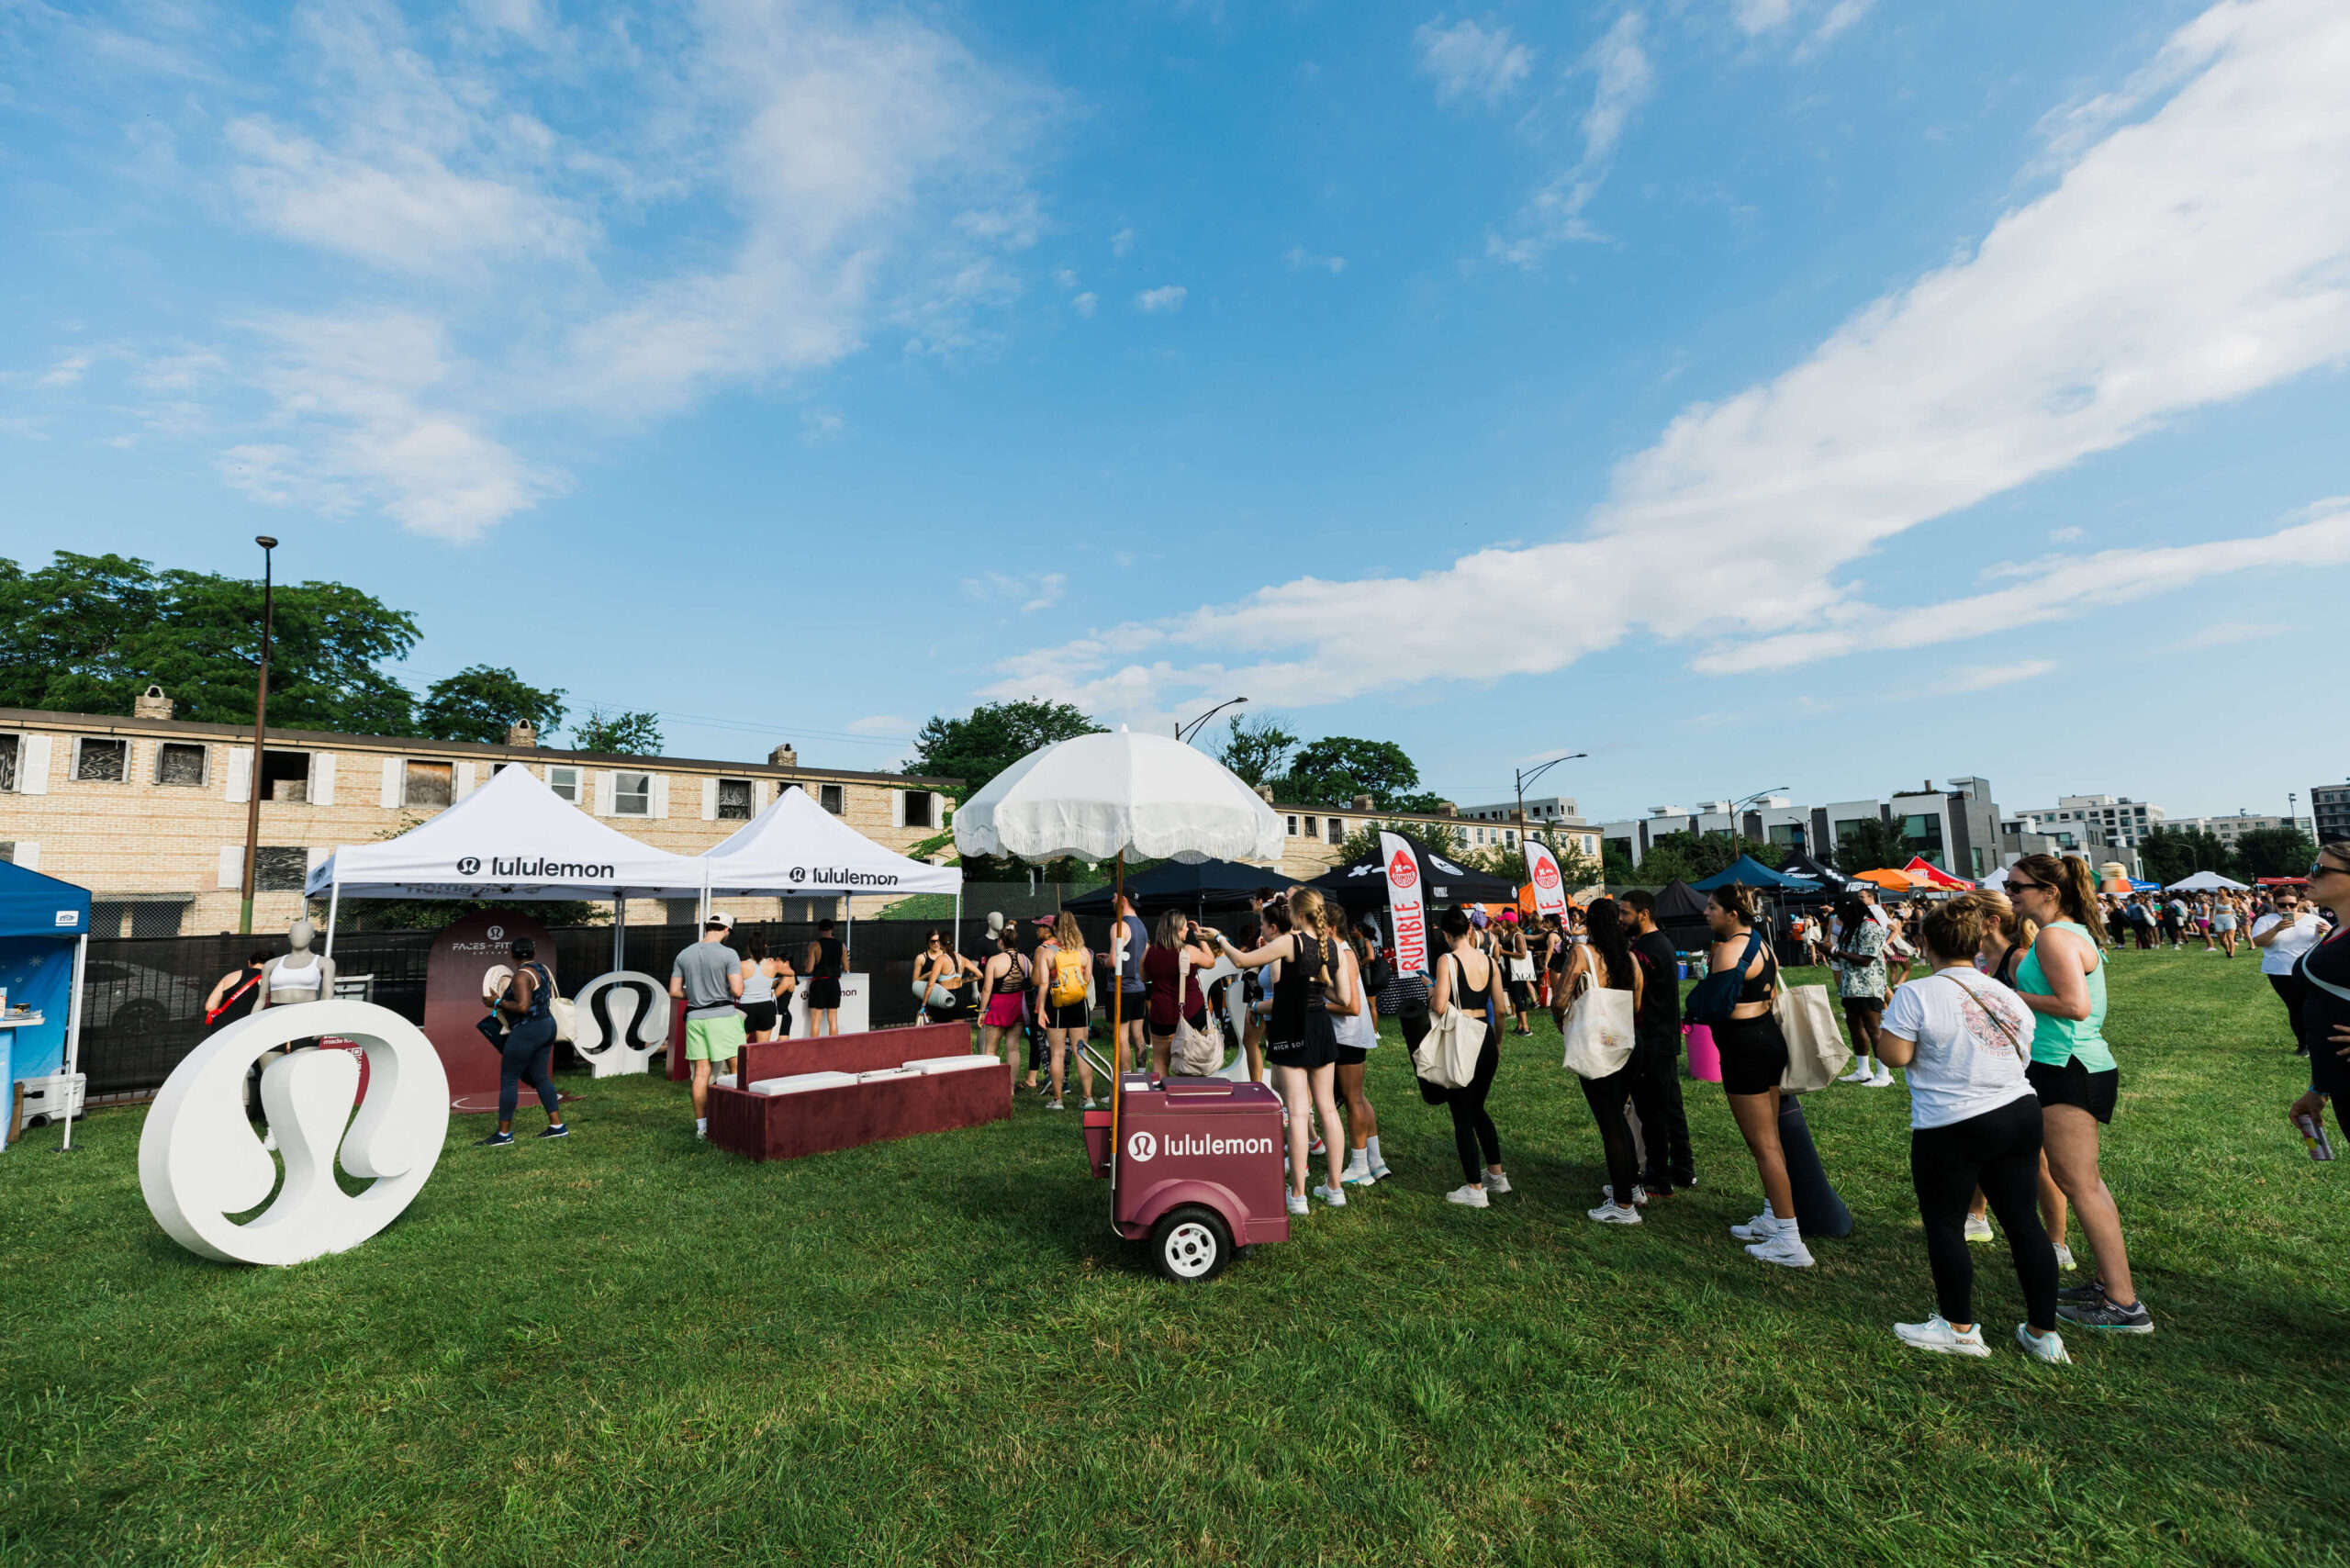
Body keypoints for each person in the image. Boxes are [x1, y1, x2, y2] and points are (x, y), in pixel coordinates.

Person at [1875, 899, 2068, 1363]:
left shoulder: (1916, 993)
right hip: (2019, 1110)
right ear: (1980, 941)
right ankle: (2044, 1333)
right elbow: (2022, 1050)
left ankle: (1959, 1329)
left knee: (1945, 1223)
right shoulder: (2006, 993)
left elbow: (1895, 1057)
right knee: (2024, 1222)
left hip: (1952, 1120)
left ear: (1924, 944)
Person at [2004, 855, 2150, 1334]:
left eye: (2018, 886)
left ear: (2049, 892)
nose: (2010, 893)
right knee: (2082, 1182)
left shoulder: (2054, 936)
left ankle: (2123, 1304)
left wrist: (2003, 996)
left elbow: (2074, 1006)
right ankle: (2112, 1286)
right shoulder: (2065, 933)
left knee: (2081, 1184)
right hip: (2064, 1065)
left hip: (2069, 1066)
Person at [1215, 891, 1350, 1213]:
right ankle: (1335, 1188)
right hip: (1321, 1027)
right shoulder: (1333, 946)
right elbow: (1343, 996)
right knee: (1328, 1110)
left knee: (1299, 1112)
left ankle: (1299, 1195)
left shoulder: (1291, 942)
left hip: (1293, 1027)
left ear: (1296, 914)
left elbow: (1241, 961)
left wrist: (1219, 937)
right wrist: (1315, 984)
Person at [1707, 885, 1814, 1269]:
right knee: (1770, 1139)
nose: (1707, 913)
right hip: (1768, 1040)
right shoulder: (1761, 944)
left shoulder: (1729, 950)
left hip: (1745, 1048)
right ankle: (1775, 1215)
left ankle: (1790, 1240)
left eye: (1713, 907)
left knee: (1763, 1144)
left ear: (1732, 913)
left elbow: (1713, 1005)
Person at [1967, 890, 2075, 1271]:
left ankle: (2058, 1244)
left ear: (1991, 922)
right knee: (1982, 1142)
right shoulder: (1979, 959)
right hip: (1997, 1064)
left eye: (1969, 914)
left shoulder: (2019, 961)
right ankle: (1976, 1217)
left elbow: (2048, 1015)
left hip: (2031, 1065)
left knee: (2040, 1159)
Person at [1570, 897, 1650, 1226]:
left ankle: (1623, 1205)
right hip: (1629, 1042)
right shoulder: (1629, 957)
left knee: (1610, 1122)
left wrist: (1566, 1023)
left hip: (1599, 1045)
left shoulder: (1582, 953)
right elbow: (1636, 1002)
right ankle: (1632, 1187)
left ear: (1590, 923)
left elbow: (1560, 998)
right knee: (1619, 1115)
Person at [1425, 905, 1510, 1209]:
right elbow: (1500, 1009)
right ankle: (1496, 1175)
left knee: (1462, 1114)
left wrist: (1431, 989)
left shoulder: (1447, 959)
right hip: (1485, 1035)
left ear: (1447, 935)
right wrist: (1498, 1043)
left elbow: (1439, 1006)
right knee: (1477, 1109)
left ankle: (1475, 1188)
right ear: (1471, 931)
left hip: (1463, 1037)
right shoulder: (1489, 961)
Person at [1621, 890, 1695, 1194]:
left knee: (1653, 1112)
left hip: (1652, 1039)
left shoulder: (1647, 948)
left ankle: (1658, 1179)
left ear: (1643, 914)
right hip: (1663, 1037)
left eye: (1625, 913)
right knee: (1670, 1106)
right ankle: (1683, 1170)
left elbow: (1635, 996)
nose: (1621, 919)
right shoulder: (1655, 942)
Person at [2288, 846, 2350, 1150]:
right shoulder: (2336, 929)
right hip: (2341, 1084)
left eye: (2319, 870)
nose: (2307, 877)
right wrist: (2318, 1089)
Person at [478, 937, 567, 1148]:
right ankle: (557, 1127)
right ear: (533, 953)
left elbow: (522, 1007)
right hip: (547, 1025)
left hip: (528, 1029)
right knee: (540, 1077)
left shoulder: (520, 976)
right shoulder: (542, 969)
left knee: (509, 1079)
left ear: (512, 955)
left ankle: (503, 1135)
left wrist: (497, 1001)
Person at [669, 916, 744, 1138]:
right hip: (723, 1016)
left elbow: (674, 992)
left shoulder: (684, 954)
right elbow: (737, 990)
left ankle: (702, 1128)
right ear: (727, 929)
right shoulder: (728, 954)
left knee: (701, 1073)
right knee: (737, 1068)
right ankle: (737, 1119)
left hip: (694, 1018)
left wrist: (696, 993)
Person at [1333, 918, 1387, 1184]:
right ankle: (1375, 1161)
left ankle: (1359, 1166)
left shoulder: (1341, 954)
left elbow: (1351, 1006)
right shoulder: (1344, 951)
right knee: (1357, 1097)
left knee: (1352, 1100)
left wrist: (1316, 1003)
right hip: (1352, 1034)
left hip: (1347, 1034)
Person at [1829, 893, 1894, 1087]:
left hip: (1868, 985)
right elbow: (1845, 956)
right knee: (1854, 1026)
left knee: (1873, 1028)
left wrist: (1835, 952)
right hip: (1850, 985)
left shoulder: (1870, 928)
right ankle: (1863, 1070)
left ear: (1853, 910)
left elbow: (1866, 959)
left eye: (1842, 914)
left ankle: (1884, 1075)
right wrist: (1829, 953)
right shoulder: (1851, 928)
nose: (1840, 919)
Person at [1143, 910, 1218, 1075]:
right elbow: (1211, 962)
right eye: (1185, 927)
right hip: (1190, 1013)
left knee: (1160, 1061)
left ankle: (1162, 1097)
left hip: (1160, 1014)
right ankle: (1188, 1094)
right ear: (1177, 930)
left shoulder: (1150, 952)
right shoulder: (1189, 951)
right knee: (1192, 1060)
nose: (1187, 930)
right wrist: (1199, 936)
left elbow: (1143, 977)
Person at [1035, 912, 1096, 1111]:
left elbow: (1044, 984)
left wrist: (1041, 1010)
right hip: (1079, 1005)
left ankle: (1058, 1100)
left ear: (1055, 928)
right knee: (1082, 1052)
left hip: (1056, 1006)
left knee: (1058, 1053)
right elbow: (1086, 981)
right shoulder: (1084, 952)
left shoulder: (1048, 953)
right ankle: (1088, 1098)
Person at [2254, 889, 2322, 1056]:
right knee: (2296, 1007)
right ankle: (2304, 1045)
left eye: (2292, 904)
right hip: (2280, 971)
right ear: (2274, 904)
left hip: (2308, 970)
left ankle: (2319, 1043)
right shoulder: (2266, 921)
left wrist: (2327, 931)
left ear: (2298, 903)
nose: (2287, 908)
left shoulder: (2313, 920)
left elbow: (2325, 943)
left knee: (2314, 1008)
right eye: (2282, 905)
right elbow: (2258, 941)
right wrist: (2276, 929)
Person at [1103, 890, 1150, 1067]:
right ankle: (1140, 1077)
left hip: (1120, 989)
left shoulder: (1119, 926)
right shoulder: (1142, 926)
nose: (1112, 900)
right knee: (1138, 1034)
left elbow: (1114, 961)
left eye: (1114, 896)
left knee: (1120, 1038)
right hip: (1138, 988)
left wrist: (1105, 961)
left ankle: (1124, 1084)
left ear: (1123, 899)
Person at [975, 925, 1031, 1061]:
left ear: (1000, 941)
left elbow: (987, 989)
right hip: (1018, 1006)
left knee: (990, 1050)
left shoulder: (994, 961)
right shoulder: (1025, 960)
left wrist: (982, 1012)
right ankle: (1011, 1083)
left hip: (998, 1007)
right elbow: (1034, 980)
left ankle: (993, 1082)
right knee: (1013, 1049)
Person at [913, 929, 979, 1025]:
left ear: (940, 942)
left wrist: (923, 1005)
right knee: (956, 1033)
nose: (935, 943)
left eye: (937, 941)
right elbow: (979, 975)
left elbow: (931, 983)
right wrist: (963, 980)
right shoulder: (960, 958)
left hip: (942, 997)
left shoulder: (941, 959)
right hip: (953, 998)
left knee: (941, 1033)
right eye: (933, 941)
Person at [739, 933, 786, 1042]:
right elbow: (791, 972)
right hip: (765, 1006)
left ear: (748, 947)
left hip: (746, 1006)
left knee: (739, 1047)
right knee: (762, 1047)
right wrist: (776, 965)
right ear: (765, 946)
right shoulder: (772, 965)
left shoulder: (741, 965)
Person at [803, 917, 846, 1036]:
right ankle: (833, 1048)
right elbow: (847, 968)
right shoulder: (841, 945)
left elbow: (809, 969)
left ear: (819, 930)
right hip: (834, 983)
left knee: (816, 1019)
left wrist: (807, 962)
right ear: (833, 929)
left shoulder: (814, 946)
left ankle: (814, 1048)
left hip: (819, 983)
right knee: (833, 1019)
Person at [1497, 913, 1537, 1036]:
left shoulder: (1517, 936)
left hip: (1517, 971)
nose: (1500, 923)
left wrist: (1503, 951)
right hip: (1510, 970)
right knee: (1514, 997)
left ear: (1508, 922)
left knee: (1517, 998)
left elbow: (1522, 954)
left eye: (1502, 921)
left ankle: (1526, 1027)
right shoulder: (1508, 935)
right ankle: (1520, 1025)